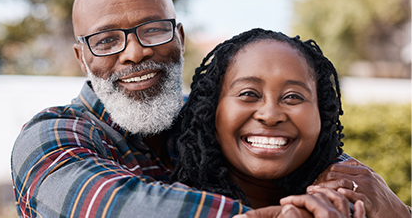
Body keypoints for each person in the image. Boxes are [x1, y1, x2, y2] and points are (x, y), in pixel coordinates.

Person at [10, 0, 411, 217]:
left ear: (179, 38)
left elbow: (298, 143)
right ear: (82, 58)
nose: (134, 52)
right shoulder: (52, 137)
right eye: (107, 40)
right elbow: (107, 206)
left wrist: (385, 204)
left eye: (152, 30)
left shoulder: (211, 118)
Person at [170, 28, 408, 218]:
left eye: (293, 96)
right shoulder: (167, 204)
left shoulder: (359, 202)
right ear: (211, 110)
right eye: (248, 94)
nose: (271, 115)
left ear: (322, 117)